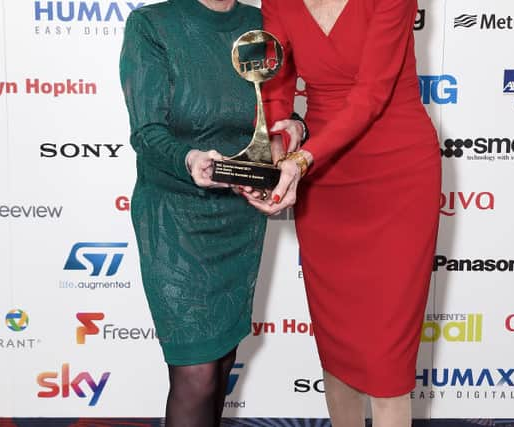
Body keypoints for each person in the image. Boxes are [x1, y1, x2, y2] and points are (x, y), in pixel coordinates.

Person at [244, 0, 442, 426]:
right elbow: (277, 81)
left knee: (388, 359)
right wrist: (279, 138)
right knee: (338, 348)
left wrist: (301, 161)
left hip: (396, 170)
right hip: (325, 177)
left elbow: (372, 92)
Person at [119, 1, 303, 425]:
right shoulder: (152, 24)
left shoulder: (261, 24)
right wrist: (190, 159)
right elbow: (146, 132)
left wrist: (295, 128)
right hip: (175, 215)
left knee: (221, 361)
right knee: (196, 372)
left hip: (238, 214)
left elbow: (275, 111)